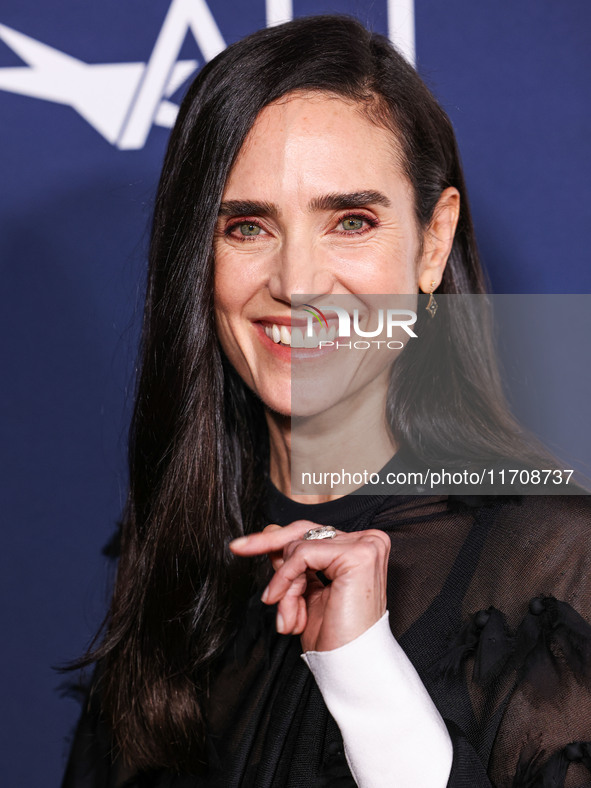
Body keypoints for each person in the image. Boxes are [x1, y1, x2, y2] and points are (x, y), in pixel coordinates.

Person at [61, 14, 591, 788]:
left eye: (350, 221)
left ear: (431, 242)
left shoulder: (555, 562)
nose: (298, 283)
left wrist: (366, 684)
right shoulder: (183, 553)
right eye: (246, 227)